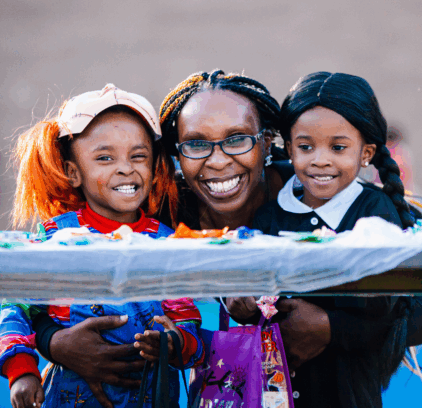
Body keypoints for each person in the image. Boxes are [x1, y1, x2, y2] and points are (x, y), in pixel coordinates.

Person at [31, 71, 417, 406]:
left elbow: (406, 301)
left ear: (267, 143)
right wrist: (55, 344)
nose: (217, 160)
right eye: (197, 144)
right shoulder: (160, 213)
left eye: (236, 139)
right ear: (176, 156)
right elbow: (41, 284)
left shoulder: (318, 193)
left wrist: (332, 328)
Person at [0, 84, 204, 408]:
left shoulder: (168, 242)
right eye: (105, 157)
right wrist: (22, 371)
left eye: (138, 156)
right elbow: (16, 306)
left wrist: (175, 342)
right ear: (73, 173)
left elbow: (188, 322)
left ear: (153, 169)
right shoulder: (56, 238)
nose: (125, 167)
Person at [250, 71, 414, 407]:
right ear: (290, 148)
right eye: (306, 146)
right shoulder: (270, 215)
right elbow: (256, 293)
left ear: (365, 153)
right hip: (275, 392)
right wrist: (246, 302)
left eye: (338, 147)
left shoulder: (373, 211)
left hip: (348, 393)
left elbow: (385, 309)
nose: (320, 159)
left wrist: (329, 325)